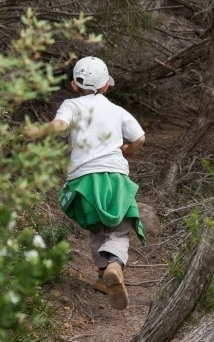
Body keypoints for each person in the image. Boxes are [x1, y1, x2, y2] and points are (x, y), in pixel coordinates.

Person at [44, 56, 146, 310]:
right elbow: (140, 138)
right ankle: (114, 265)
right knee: (119, 229)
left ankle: (103, 276)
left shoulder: (71, 105)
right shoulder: (117, 110)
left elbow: (60, 125)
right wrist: (127, 150)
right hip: (115, 179)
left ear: (74, 85)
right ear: (106, 86)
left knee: (96, 227)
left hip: (84, 180)